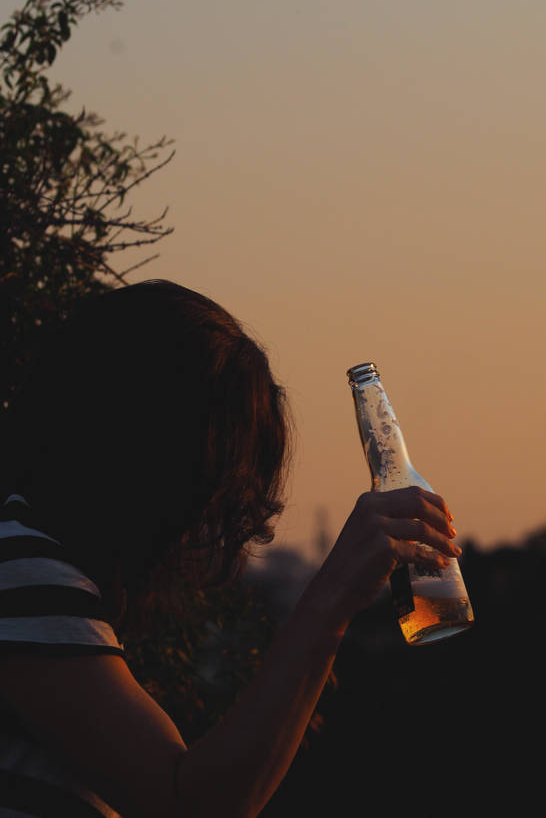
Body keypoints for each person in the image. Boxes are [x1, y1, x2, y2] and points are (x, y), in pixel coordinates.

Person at [0, 280, 461, 818]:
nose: (203, 526)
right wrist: (332, 597)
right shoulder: (23, 573)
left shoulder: (39, 574)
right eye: (212, 487)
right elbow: (189, 805)